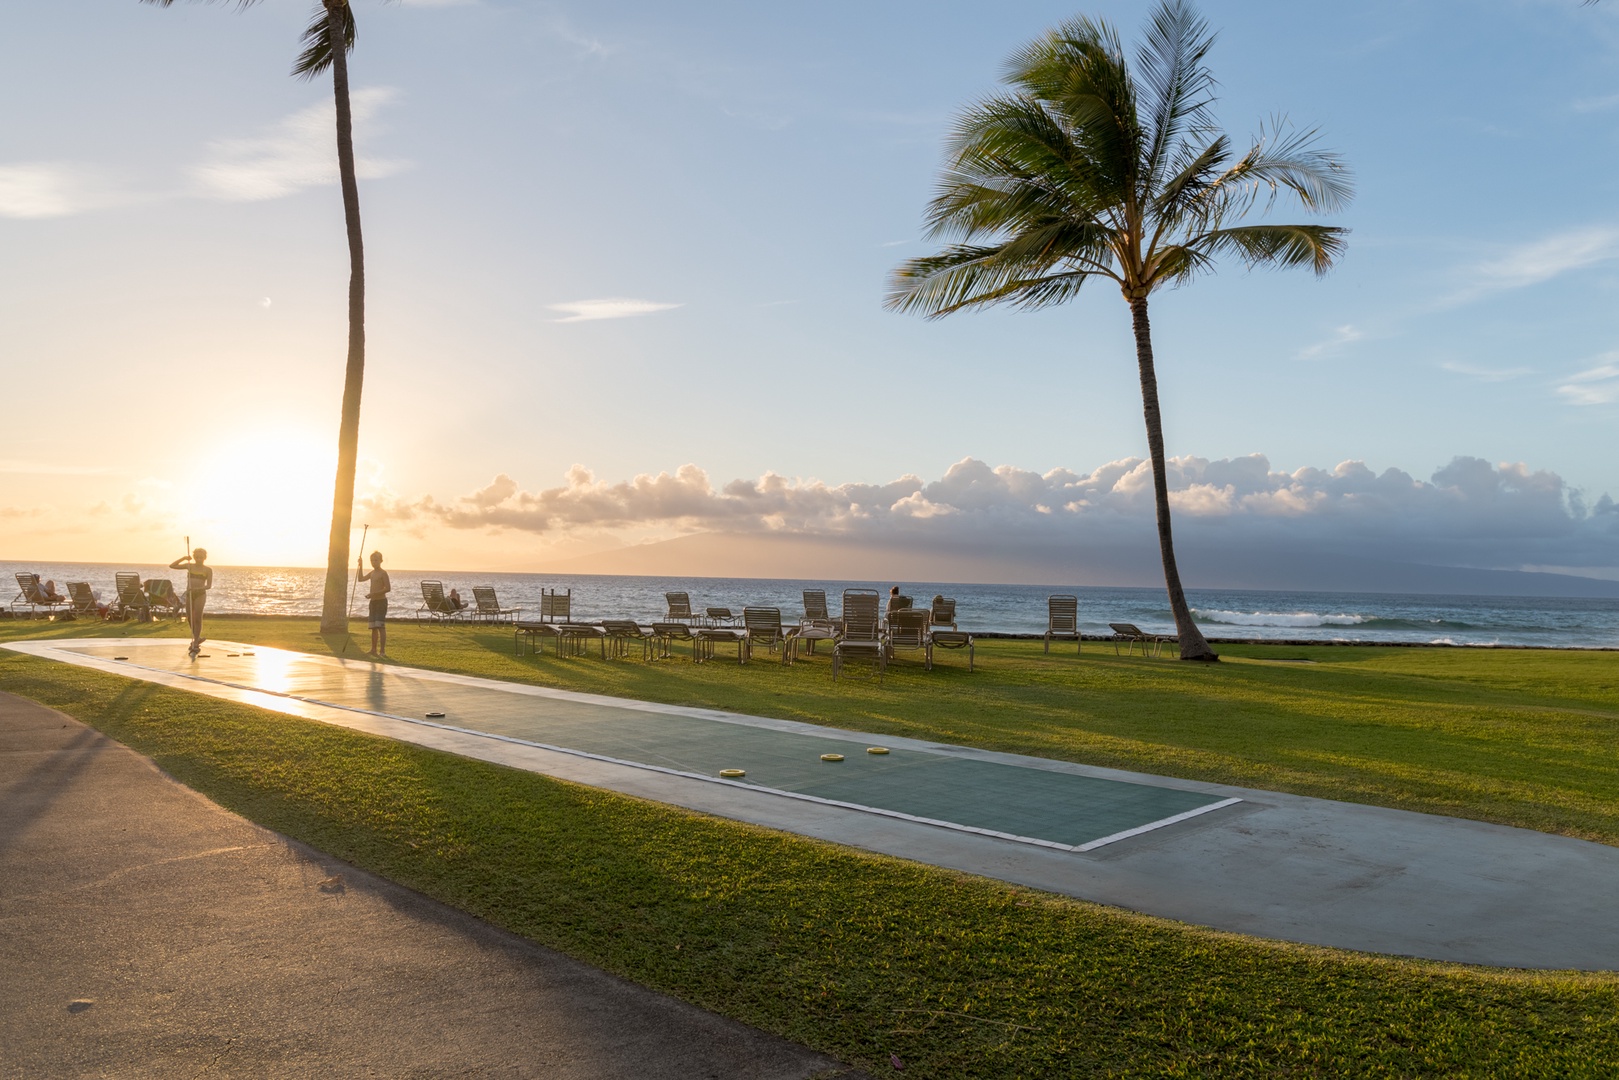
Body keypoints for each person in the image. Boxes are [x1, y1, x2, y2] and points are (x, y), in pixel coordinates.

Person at [169, 548, 212, 657]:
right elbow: (172, 565)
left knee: (197, 617)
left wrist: (197, 589)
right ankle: (197, 638)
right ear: (194, 557)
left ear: (204, 558)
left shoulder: (208, 570)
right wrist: (184, 558)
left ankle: (196, 641)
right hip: (189, 594)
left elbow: (209, 585)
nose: (199, 559)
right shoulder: (189, 566)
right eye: (197, 557)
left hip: (200, 594)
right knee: (190, 618)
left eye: (201, 557)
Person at [357, 551, 391, 658]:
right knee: (373, 627)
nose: (374, 562)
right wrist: (361, 565)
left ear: (381, 561)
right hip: (373, 602)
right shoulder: (372, 573)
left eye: (376, 560)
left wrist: (374, 594)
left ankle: (382, 651)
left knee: (380, 626)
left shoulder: (383, 573)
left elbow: (388, 588)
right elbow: (360, 579)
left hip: (381, 602)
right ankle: (373, 650)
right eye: (372, 560)